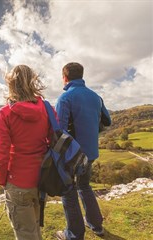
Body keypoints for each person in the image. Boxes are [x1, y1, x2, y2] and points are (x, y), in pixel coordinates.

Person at [0, 65, 53, 240]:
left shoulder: (4, 113)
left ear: (11, 83)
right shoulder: (47, 109)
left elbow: (1, 153)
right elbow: (53, 140)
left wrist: (1, 179)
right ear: (32, 82)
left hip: (18, 181)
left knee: (25, 232)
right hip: (42, 177)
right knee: (34, 224)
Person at [55, 62, 111, 240]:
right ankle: (96, 226)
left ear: (65, 77)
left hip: (72, 155)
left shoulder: (65, 98)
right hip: (91, 153)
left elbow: (59, 131)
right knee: (85, 186)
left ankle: (74, 234)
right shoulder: (96, 97)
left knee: (68, 190)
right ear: (81, 75)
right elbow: (107, 121)